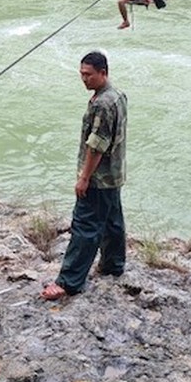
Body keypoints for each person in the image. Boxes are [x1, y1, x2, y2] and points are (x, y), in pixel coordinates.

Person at [42, 51, 128, 301]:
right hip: (114, 174)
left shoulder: (102, 103)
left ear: (103, 73)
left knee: (85, 226)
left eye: (89, 75)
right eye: (81, 74)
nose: (84, 79)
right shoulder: (117, 96)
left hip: (98, 177)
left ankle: (69, 282)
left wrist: (84, 177)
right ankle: (113, 264)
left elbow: (97, 144)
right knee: (112, 220)